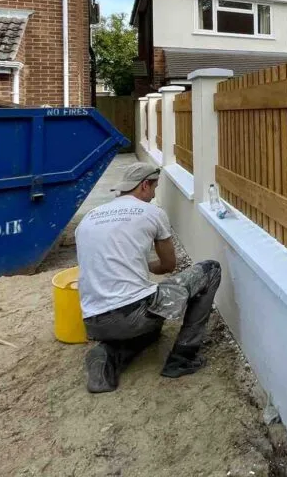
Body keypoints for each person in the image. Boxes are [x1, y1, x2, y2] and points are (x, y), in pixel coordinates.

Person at [75, 162, 221, 393]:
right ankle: (182, 359)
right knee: (210, 270)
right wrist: (147, 265)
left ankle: (107, 355)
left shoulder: (89, 218)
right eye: (154, 189)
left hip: (93, 322)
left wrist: (133, 263)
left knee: (151, 333)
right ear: (144, 185)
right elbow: (168, 265)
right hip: (132, 315)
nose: (153, 195)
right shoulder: (151, 212)